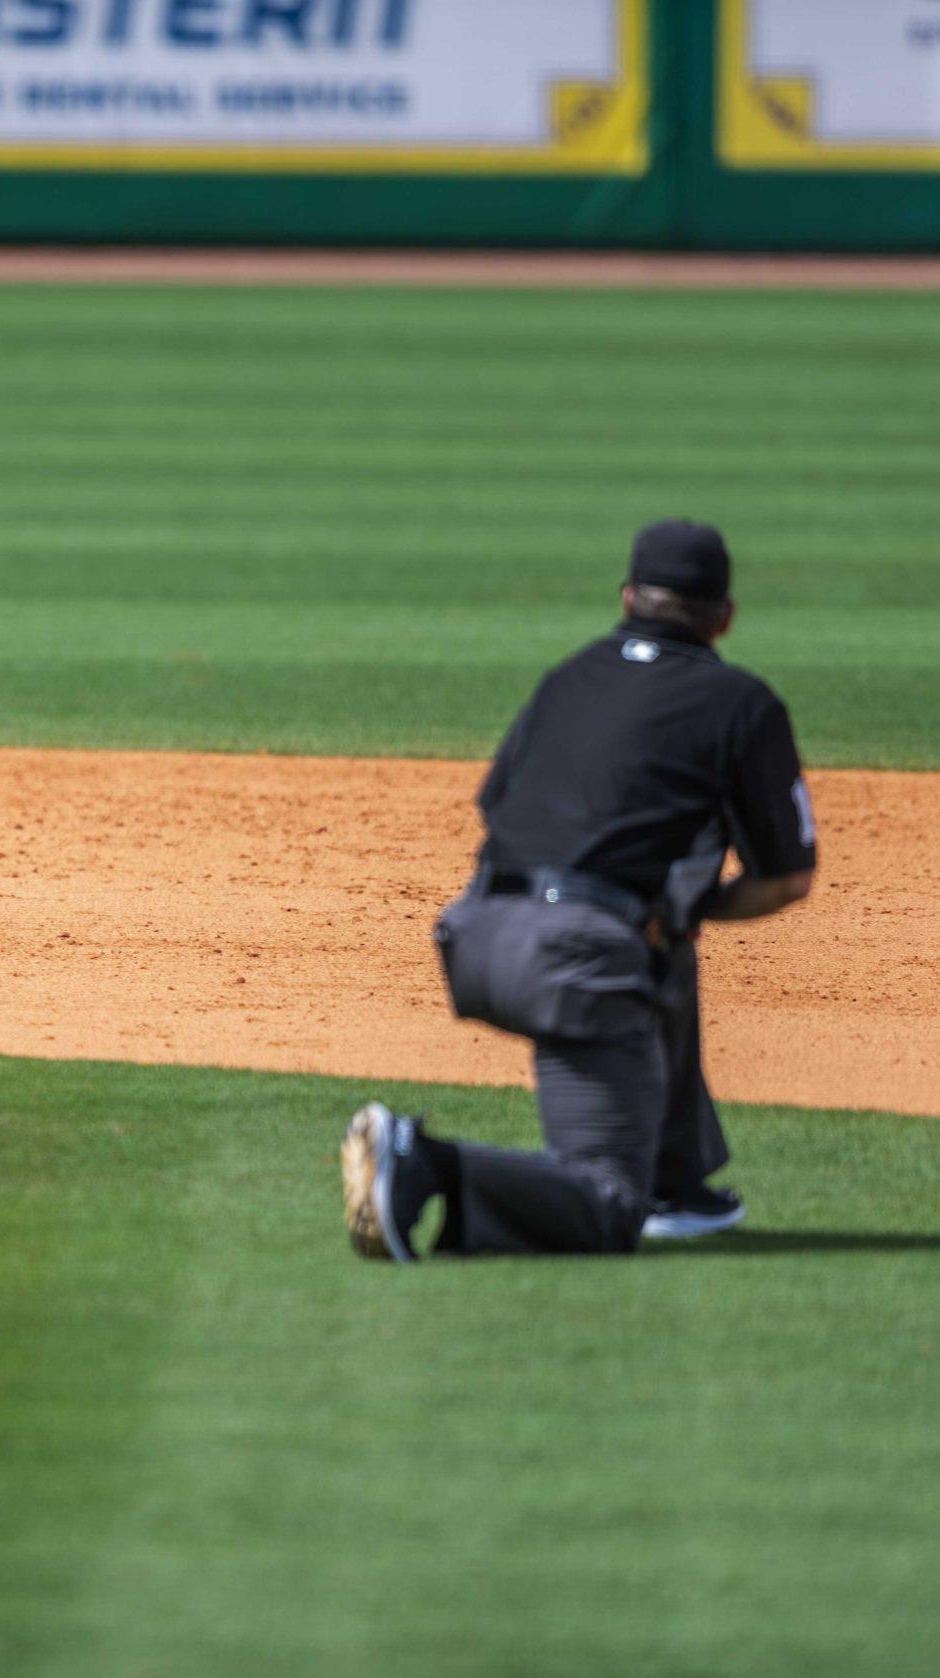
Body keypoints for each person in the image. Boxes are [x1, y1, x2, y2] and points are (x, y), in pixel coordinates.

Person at [340, 520, 816, 1261]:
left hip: (476, 932)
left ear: (628, 598)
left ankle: (676, 1178)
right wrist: (683, 909)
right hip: (575, 963)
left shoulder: (567, 677)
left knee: (663, 942)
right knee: (606, 1204)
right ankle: (421, 1160)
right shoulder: (739, 704)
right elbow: (787, 878)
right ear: (724, 616)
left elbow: (499, 803)